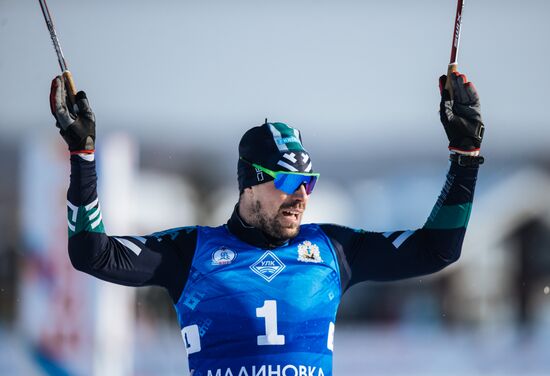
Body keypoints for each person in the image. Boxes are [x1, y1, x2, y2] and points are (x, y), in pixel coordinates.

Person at [49, 71, 484, 376]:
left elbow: (437, 249)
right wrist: (83, 157)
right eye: (290, 181)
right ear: (251, 183)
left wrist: (464, 158)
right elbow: (92, 252)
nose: (300, 197)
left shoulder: (334, 250)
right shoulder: (190, 252)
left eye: (308, 183)